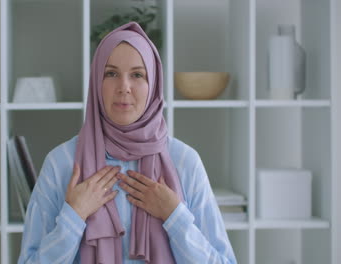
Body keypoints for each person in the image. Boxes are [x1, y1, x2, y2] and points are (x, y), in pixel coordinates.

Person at [18, 21, 237, 264]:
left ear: (153, 84)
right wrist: (74, 216)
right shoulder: (62, 163)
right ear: (96, 83)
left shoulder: (184, 161)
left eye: (137, 75)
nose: (124, 87)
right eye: (111, 73)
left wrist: (175, 217)